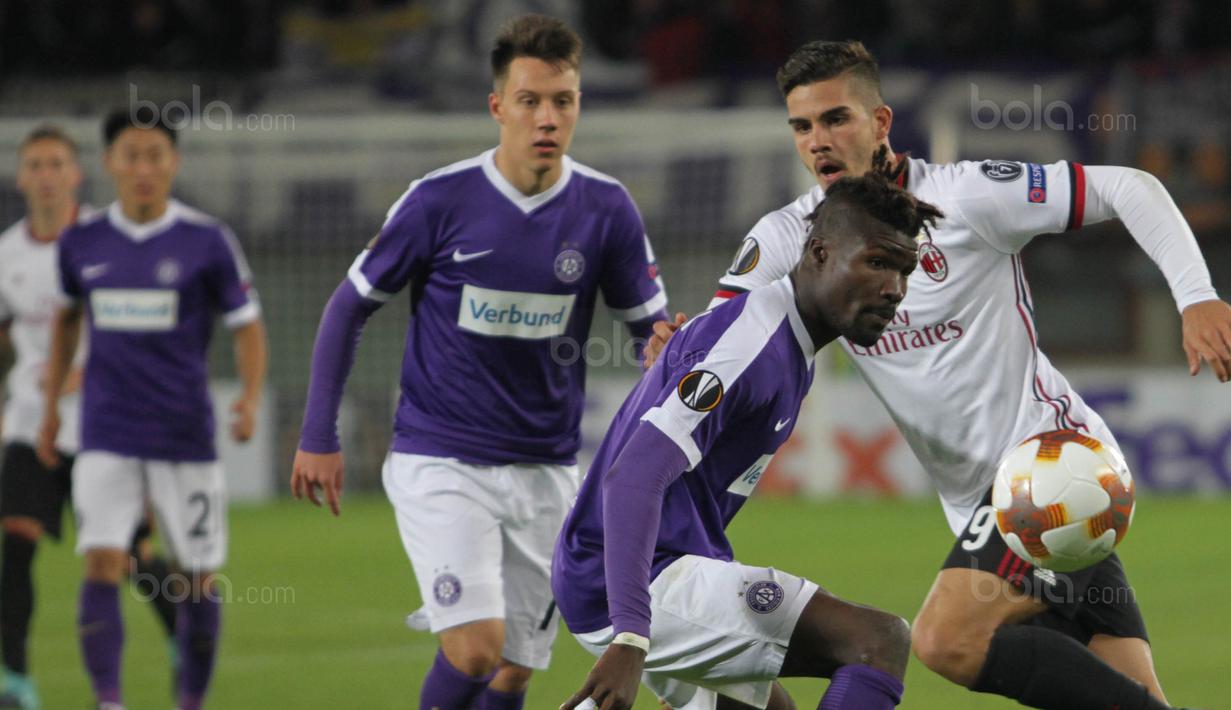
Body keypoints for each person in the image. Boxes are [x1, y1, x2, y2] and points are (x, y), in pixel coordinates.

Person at [646, 40, 1231, 710]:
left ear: (881, 123)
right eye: (802, 126)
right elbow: (720, 334)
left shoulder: (964, 197)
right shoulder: (791, 237)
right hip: (977, 501)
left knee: (945, 640)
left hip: (1049, 467)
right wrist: (676, 349)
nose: (817, 141)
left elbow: (1129, 186)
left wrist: (1196, 297)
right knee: (1132, 694)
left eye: (836, 119)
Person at [290, 14, 669, 710]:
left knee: (514, 671)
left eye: (562, 100)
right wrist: (318, 433)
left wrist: (666, 350)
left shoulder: (606, 209)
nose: (547, 117)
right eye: (530, 100)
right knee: (475, 649)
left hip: (547, 468)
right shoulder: (439, 199)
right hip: (442, 458)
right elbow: (348, 307)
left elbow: (653, 331)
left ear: (579, 105)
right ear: (498, 106)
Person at [555, 173, 939, 710]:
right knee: (877, 642)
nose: (894, 288)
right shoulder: (753, 342)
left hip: (647, 568)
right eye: (877, 262)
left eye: (904, 271)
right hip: (631, 581)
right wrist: (631, 636)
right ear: (819, 253)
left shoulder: (789, 344)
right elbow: (633, 477)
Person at [36, 107, 268, 710]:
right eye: (130, 156)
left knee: (196, 577)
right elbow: (65, 321)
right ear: (110, 163)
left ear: (173, 163)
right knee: (103, 559)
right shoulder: (82, 241)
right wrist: (52, 407)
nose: (143, 168)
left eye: (154, 156)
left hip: (183, 435)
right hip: (106, 431)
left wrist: (247, 397)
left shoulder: (207, 240)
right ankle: (109, 700)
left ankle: (190, 700)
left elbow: (246, 324)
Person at [0, 125, 179, 709]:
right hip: (31, 425)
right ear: (21, 178)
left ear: (76, 174)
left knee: (129, 556)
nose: (46, 176)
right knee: (16, 541)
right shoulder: (6, 254)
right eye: (35, 165)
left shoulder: (108, 240)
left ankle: (183, 635)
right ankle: (15, 679)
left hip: (104, 425)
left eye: (56, 164)